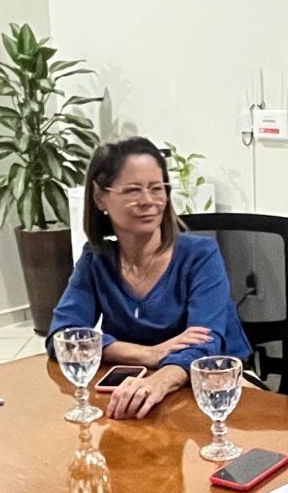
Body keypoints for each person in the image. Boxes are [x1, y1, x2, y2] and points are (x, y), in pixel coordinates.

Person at [47, 137, 251, 419]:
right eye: (133, 190)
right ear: (100, 197)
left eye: (157, 188)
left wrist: (159, 380)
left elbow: (205, 345)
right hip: (135, 392)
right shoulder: (96, 259)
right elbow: (63, 338)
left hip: (211, 392)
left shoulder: (201, 255)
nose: (148, 201)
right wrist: (148, 354)